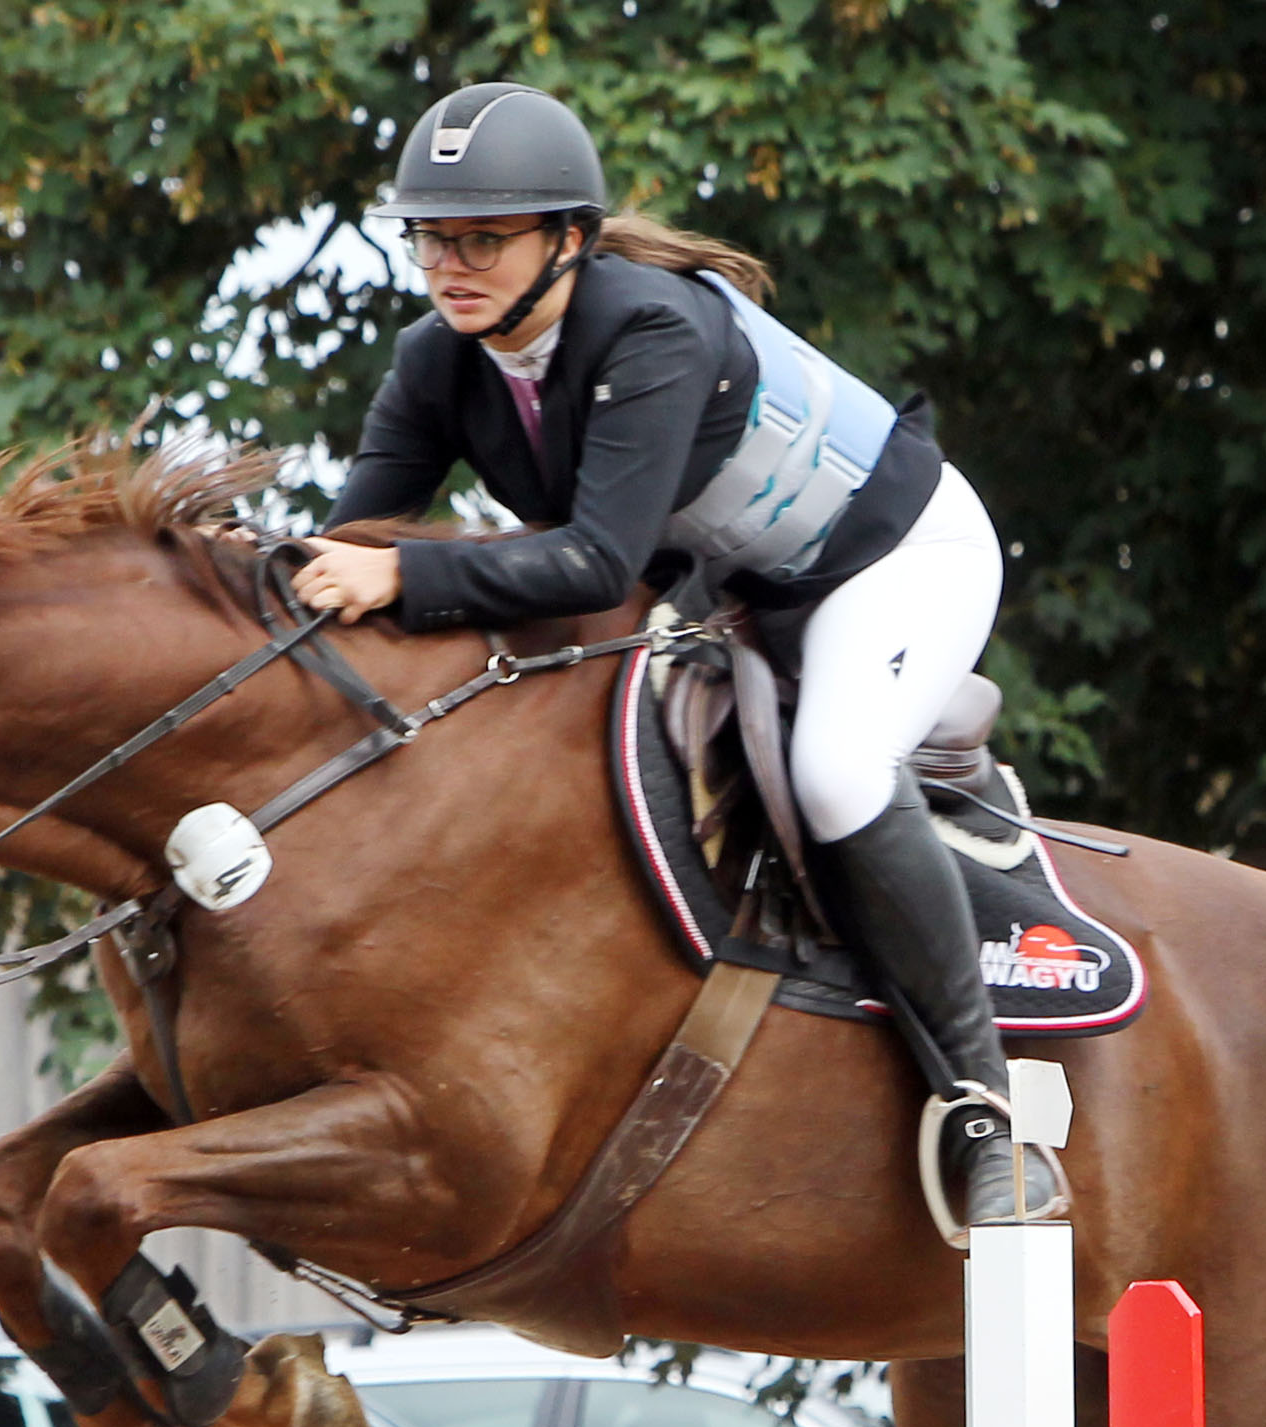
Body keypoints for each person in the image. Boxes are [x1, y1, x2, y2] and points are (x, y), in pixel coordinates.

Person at [294, 82, 1061, 1234]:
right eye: (433, 238)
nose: (453, 264)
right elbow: (352, 545)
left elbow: (598, 565)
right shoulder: (436, 360)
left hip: (892, 559)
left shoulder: (650, 329)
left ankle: (981, 1110)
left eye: (484, 239)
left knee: (839, 773)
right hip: (738, 585)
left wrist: (403, 577)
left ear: (570, 239)